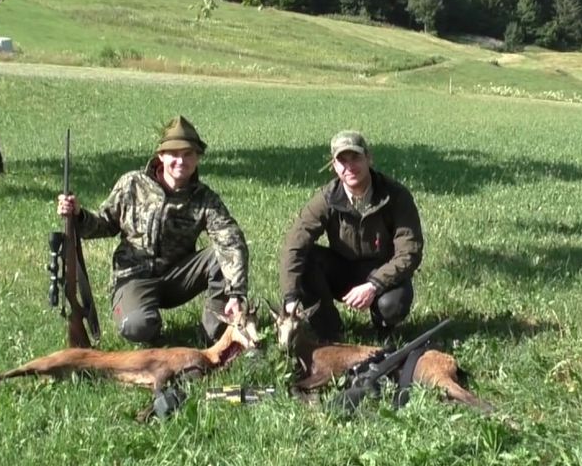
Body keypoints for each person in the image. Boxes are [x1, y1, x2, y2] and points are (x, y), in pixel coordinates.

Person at [57, 116, 248, 344]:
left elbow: (231, 241)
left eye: (188, 154)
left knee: (221, 255)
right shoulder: (132, 184)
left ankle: (211, 336)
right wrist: (78, 214)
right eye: (174, 154)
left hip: (177, 278)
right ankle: (153, 332)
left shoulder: (205, 199)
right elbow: (104, 224)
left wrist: (236, 293)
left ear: (197, 158)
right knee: (138, 327)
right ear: (161, 156)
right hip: (133, 278)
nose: (181, 161)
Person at [279, 130, 423, 341]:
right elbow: (294, 245)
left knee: (392, 305)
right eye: (342, 161)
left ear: (369, 158)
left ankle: (385, 328)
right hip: (343, 270)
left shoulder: (396, 196)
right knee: (307, 260)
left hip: (384, 272)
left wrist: (374, 285)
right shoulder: (326, 199)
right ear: (334, 166)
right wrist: (290, 299)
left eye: (355, 157)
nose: (350, 166)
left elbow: (410, 252)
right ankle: (330, 331)